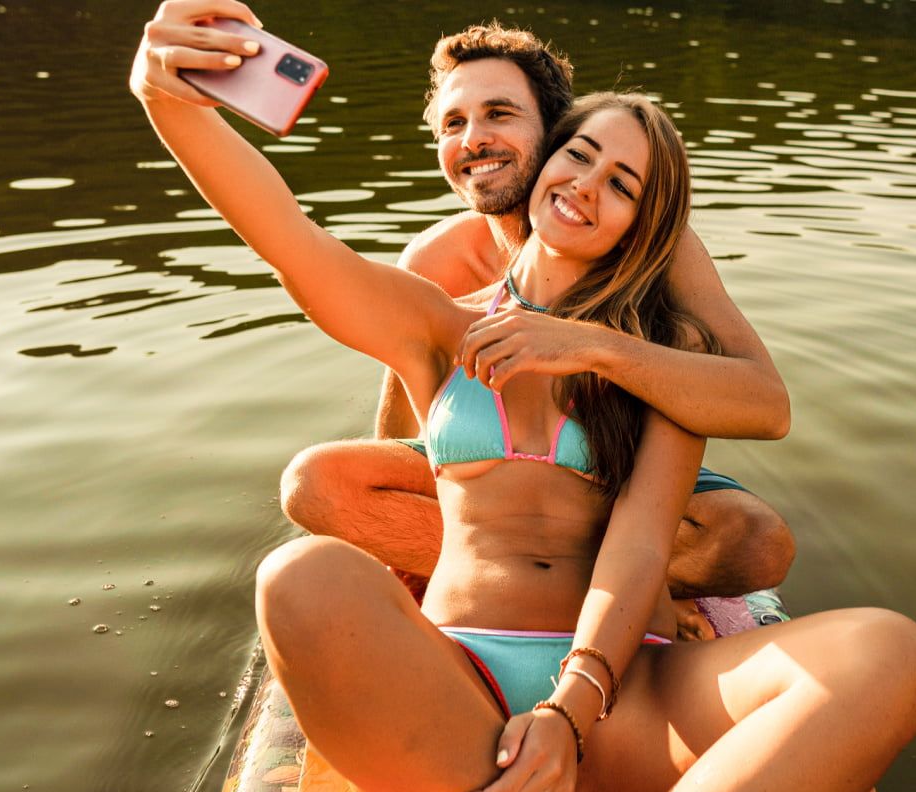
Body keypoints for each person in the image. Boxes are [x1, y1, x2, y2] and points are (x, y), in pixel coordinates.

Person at [131, 4, 916, 792]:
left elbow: (641, 541)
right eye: (580, 156)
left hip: (634, 688)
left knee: (888, 651)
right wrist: (167, 102)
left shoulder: (665, 353)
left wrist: (568, 711)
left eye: (620, 183)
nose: (587, 186)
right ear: (550, 158)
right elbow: (287, 236)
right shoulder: (437, 321)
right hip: (463, 678)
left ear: (640, 224)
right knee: (300, 575)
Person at [276, 22, 796, 602]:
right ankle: (512, 580)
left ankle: (614, 589)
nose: (473, 139)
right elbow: (403, 426)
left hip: (611, 469)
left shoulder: (650, 241)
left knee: (757, 541)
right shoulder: (433, 259)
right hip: (484, 475)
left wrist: (593, 345)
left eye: (499, 113)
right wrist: (389, 541)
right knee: (316, 487)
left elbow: (765, 403)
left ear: (556, 133)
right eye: (454, 123)